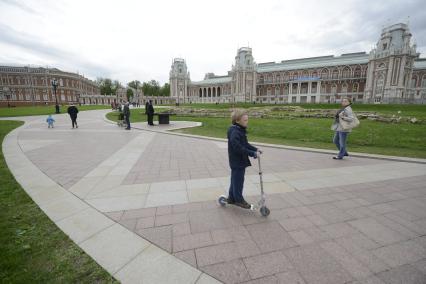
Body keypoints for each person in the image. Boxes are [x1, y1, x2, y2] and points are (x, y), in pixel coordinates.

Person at [226, 109, 262, 209]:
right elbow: (238, 147)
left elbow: (245, 144)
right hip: (237, 161)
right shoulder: (235, 132)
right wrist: (253, 153)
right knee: (238, 181)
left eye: (247, 120)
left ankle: (231, 198)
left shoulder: (239, 130)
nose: (247, 122)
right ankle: (238, 200)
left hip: (238, 161)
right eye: (245, 120)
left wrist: (256, 149)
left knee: (234, 179)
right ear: (237, 121)